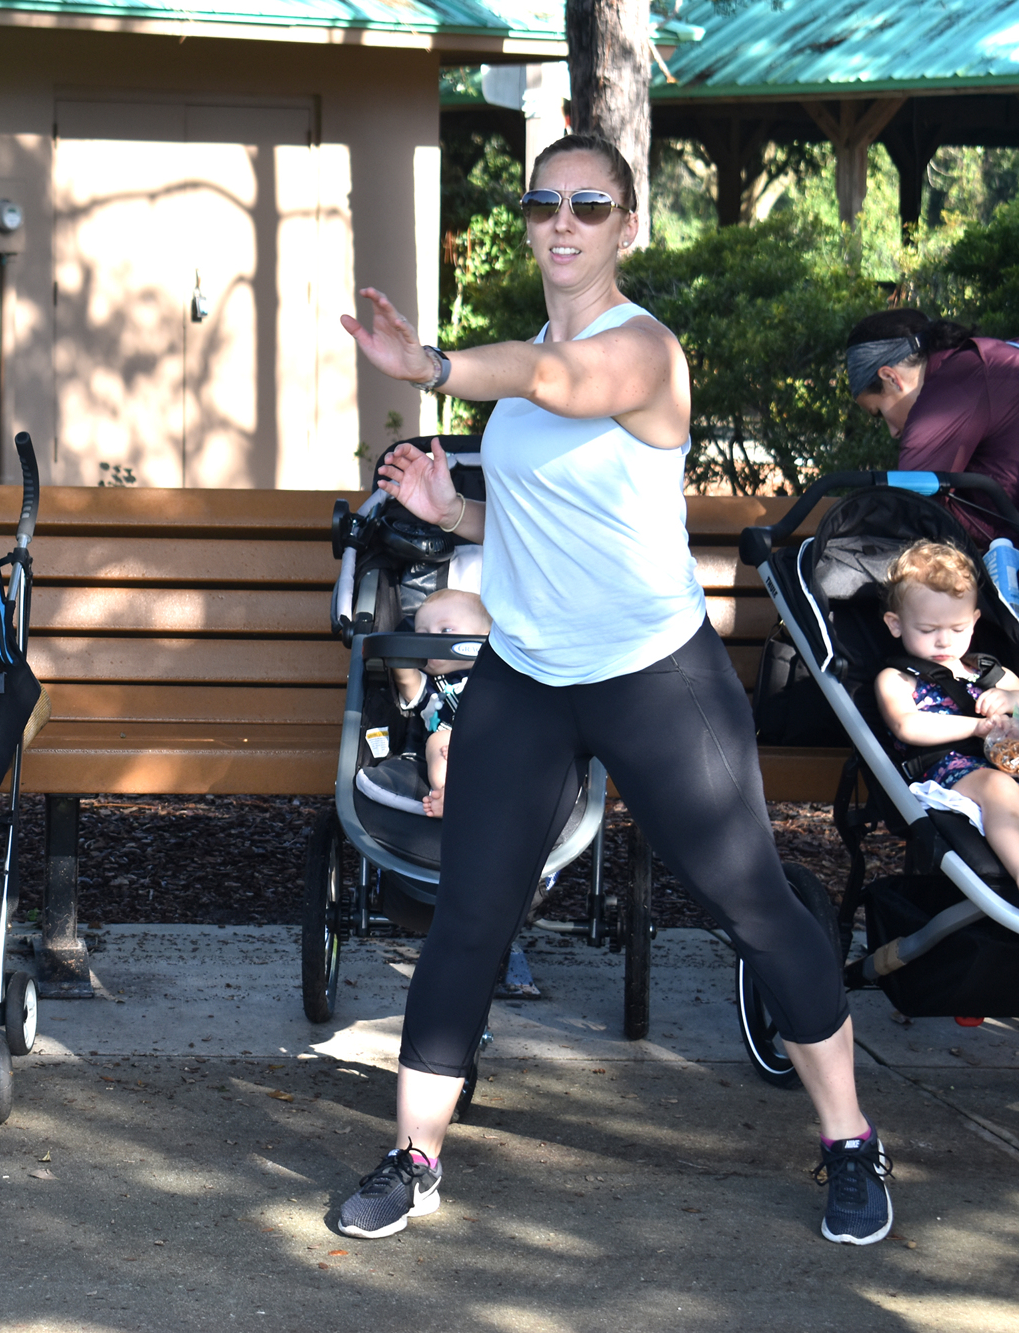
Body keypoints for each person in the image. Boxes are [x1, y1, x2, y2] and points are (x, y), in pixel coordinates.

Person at [329, 132, 891, 1246]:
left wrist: (431, 368)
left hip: (652, 676)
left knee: (751, 902)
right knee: (469, 913)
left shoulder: (641, 353)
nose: (562, 224)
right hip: (529, 675)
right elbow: (547, 515)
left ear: (625, 227)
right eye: (545, 205)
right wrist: (453, 519)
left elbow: (560, 382)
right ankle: (414, 1154)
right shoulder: (532, 360)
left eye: (589, 206)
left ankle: (849, 1140)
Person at [873, 540, 1019, 869]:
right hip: (949, 774)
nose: (944, 640)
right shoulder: (898, 678)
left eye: (958, 628)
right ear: (895, 624)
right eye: (928, 629)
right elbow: (907, 725)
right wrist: (977, 726)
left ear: (975, 619)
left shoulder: (988, 671)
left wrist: (1010, 700)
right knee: (997, 787)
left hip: (1007, 761)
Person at [847, 309, 1019, 544]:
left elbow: (908, 512)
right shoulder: (999, 356)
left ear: (890, 378)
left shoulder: (957, 383)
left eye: (879, 412)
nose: (894, 432)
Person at [389, 589, 490, 818]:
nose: (432, 640)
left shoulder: (498, 676)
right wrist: (401, 650)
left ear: (486, 636)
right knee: (439, 741)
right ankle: (449, 794)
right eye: (422, 634)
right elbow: (406, 679)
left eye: (445, 630)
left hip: (494, 747)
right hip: (449, 751)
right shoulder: (431, 687)